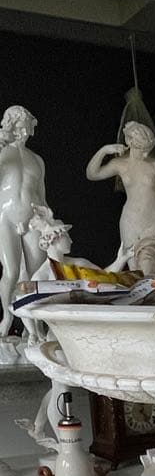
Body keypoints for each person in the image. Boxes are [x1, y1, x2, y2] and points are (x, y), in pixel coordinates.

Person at [85, 121, 155, 268]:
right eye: (141, 148)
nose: (146, 154)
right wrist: (104, 150)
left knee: (149, 265)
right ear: (129, 142)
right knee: (133, 270)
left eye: (148, 149)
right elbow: (92, 174)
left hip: (152, 222)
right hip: (129, 222)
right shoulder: (120, 164)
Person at [0, 105, 48, 339]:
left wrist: (47, 220)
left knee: (37, 274)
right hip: (5, 216)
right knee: (11, 272)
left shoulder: (37, 159)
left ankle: (35, 327)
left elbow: (42, 195)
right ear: (10, 126)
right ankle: (7, 318)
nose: (23, 131)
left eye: (26, 126)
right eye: (19, 126)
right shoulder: (3, 154)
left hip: (33, 218)